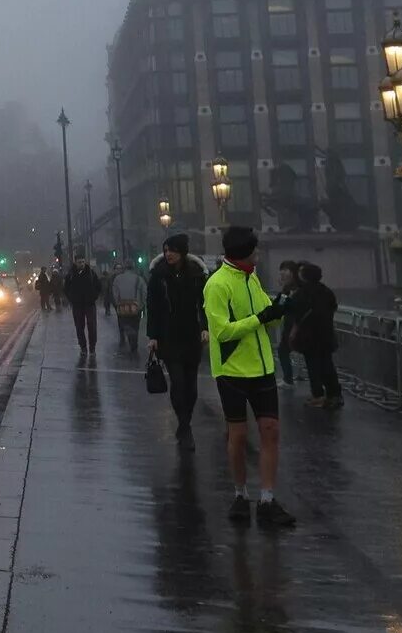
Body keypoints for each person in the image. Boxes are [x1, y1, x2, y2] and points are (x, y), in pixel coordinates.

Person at [205, 226, 296, 528]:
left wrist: (280, 310)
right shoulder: (217, 285)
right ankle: (240, 494)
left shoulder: (252, 277)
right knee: (239, 435)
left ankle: (267, 499)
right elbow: (222, 331)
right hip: (232, 369)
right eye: (255, 250)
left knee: (270, 431)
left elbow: (264, 315)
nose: (258, 255)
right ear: (244, 252)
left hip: (262, 367)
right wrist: (261, 318)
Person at [146, 233, 208, 442]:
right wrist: (153, 336)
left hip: (191, 336)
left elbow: (204, 304)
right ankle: (183, 424)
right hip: (168, 337)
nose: (168, 254)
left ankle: (186, 418)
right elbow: (152, 307)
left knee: (191, 386)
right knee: (178, 381)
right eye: (166, 250)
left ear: (182, 252)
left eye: (172, 250)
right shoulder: (158, 276)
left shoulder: (197, 275)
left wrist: (205, 327)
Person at [294, 262, 344, 409]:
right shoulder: (326, 291)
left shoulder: (301, 293)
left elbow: (294, 311)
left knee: (313, 367)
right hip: (326, 335)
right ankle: (334, 394)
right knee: (328, 365)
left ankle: (318, 395)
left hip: (309, 337)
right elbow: (333, 307)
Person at [63, 251, 104, 357]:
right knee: (79, 327)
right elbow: (66, 289)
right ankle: (83, 347)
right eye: (79, 262)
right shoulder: (71, 274)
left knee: (92, 327)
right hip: (77, 305)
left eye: (82, 262)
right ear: (75, 262)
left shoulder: (91, 273)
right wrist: (71, 299)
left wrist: (94, 296)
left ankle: (92, 348)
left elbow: (98, 286)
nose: (81, 264)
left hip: (90, 304)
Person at [274, 261, 304, 384]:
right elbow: (280, 305)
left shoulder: (301, 289)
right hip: (289, 325)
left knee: (310, 355)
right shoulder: (287, 289)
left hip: (300, 325)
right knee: (283, 350)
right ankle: (288, 379)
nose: (282, 277)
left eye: (285, 274)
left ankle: (289, 379)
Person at [108, 260, 144, 353]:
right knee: (135, 325)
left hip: (123, 307)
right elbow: (145, 293)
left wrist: (118, 303)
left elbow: (115, 293)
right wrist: (141, 305)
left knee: (126, 323)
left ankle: (130, 338)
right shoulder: (139, 279)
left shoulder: (117, 279)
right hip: (136, 307)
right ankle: (134, 343)